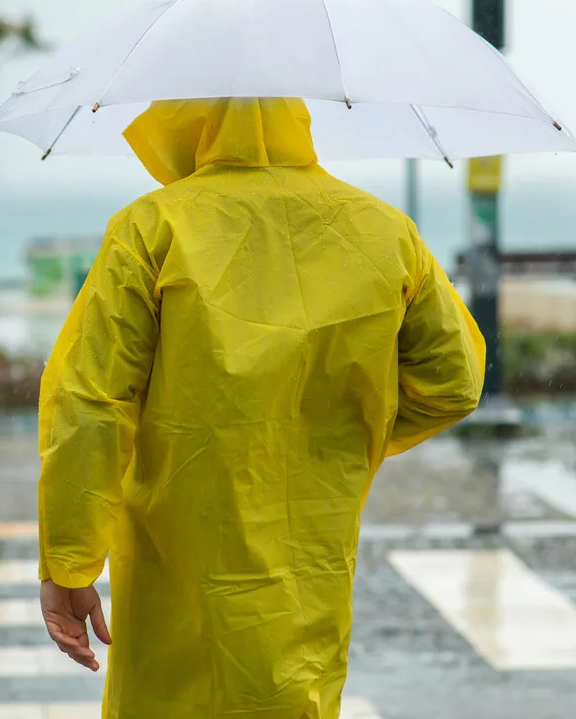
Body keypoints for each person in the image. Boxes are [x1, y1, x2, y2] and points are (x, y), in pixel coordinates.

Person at [37, 97, 485, 718]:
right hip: (311, 561)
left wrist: (70, 561)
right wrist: (342, 436)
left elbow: (89, 403)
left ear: (191, 117)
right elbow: (454, 380)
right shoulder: (386, 231)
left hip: (175, 562)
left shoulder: (152, 228)